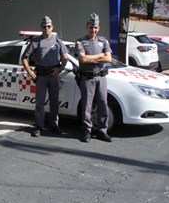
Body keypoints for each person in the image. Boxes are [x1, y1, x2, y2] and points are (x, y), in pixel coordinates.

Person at [21, 16, 68, 137]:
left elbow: (65, 57)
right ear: (41, 28)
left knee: (54, 103)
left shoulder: (58, 41)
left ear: (52, 27)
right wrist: (29, 71)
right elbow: (24, 57)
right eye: (44, 26)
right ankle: (39, 126)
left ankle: (54, 125)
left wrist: (59, 70)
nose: (46, 28)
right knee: (40, 103)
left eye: (49, 26)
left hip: (53, 76)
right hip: (41, 76)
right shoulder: (36, 41)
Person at [75, 13, 113, 143]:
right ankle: (87, 131)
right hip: (87, 78)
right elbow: (83, 59)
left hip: (101, 77)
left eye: (96, 27)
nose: (93, 30)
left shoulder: (104, 41)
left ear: (99, 28)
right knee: (87, 106)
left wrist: (93, 58)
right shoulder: (81, 41)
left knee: (103, 104)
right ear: (87, 27)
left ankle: (102, 130)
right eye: (91, 27)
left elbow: (108, 58)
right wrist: (99, 56)